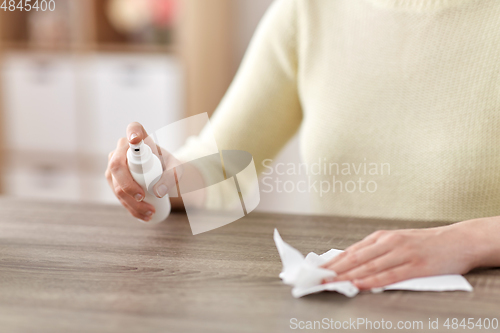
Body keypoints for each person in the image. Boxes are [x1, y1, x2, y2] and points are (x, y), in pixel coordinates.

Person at [105, 0, 500, 289]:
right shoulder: (307, 11)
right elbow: (222, 170)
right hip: (347, 305)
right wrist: (161, 175)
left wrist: (468, 241)